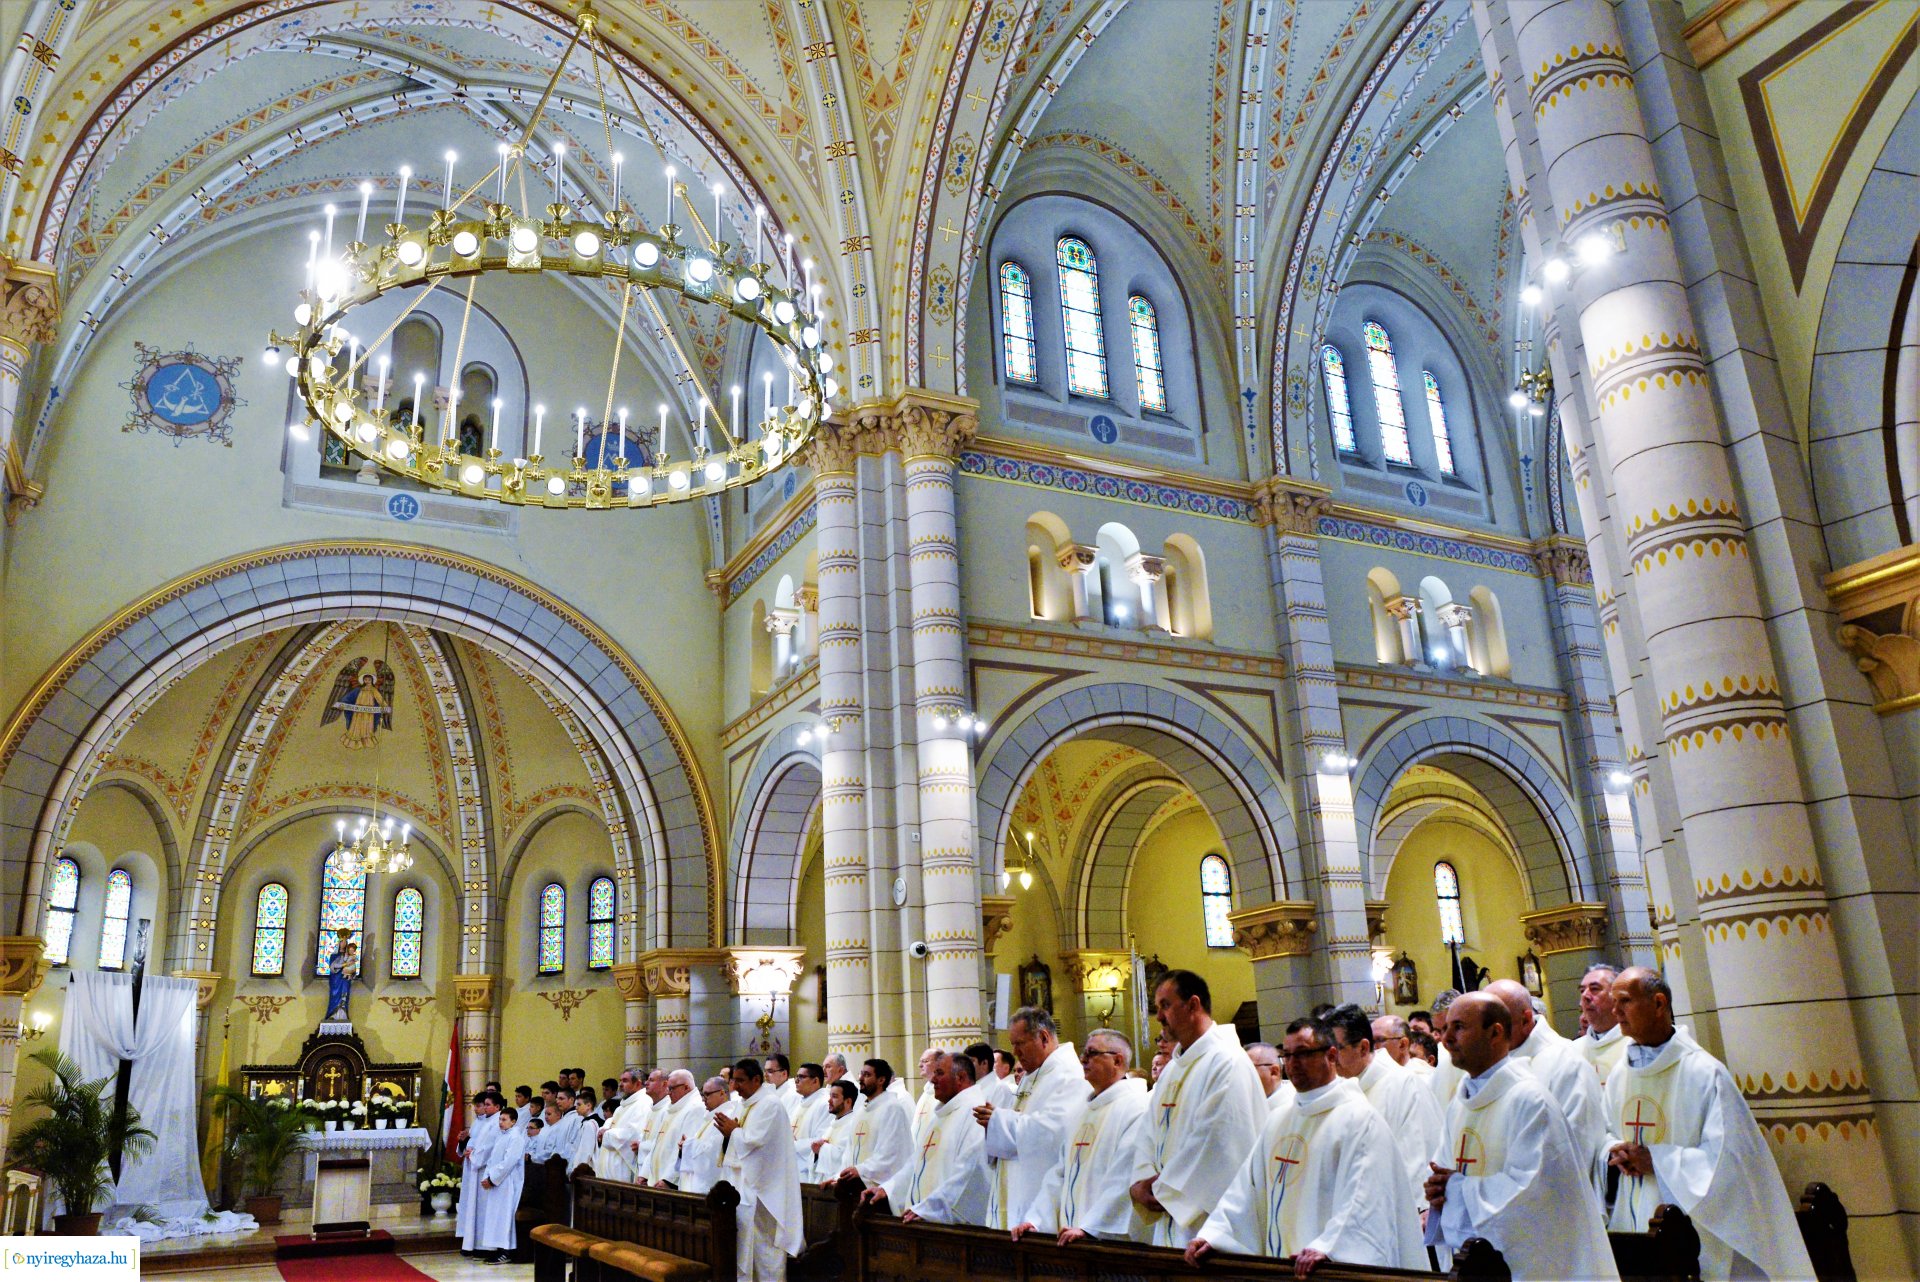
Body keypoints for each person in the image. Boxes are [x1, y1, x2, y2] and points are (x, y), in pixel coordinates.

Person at [1604, 967, 1814, 1281]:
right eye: (1614, 1002)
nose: (1615, 1011)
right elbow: (1607, 1132)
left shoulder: (1705, 1073)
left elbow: (1729, 1161)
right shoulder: (1620, 1076)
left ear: (1659, 1004)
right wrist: (1614, 1151)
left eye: (1624, 1001)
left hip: (1691, 1232)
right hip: (1634, 1229)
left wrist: (1657, 1160)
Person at [1187, 1017, 1423, 1274]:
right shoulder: (1278, 1120)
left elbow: (1365, 1198)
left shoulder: (1358, 1120)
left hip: (1326, 1271)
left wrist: (1329, 1246)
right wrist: (1216, 1234)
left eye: (1302, 1053)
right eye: (1287, 1055)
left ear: (1331, 1055)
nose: (1292, 1064)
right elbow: (1247, 1188)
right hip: (1283, 1268)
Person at [1422, 993, 1617, 1281]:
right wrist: (1438, 1191)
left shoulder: (1530, 1101)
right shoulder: (1460, 1104)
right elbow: (1445, 1172)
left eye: (1459, 1027)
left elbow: (1533, 1196)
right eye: (1446, 1028)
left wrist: (1456, 1190)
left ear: (1495, 1033)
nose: (1446, 1039)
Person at [1128, 969, 1268, 1247]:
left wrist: (1162, 1188)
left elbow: (1218, 1142)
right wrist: (1140, 1181)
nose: (1159, 1017)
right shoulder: (1173, 1070)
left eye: (1165, 1005)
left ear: (1193, 1005)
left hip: (1208, 1223)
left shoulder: (1226, 1062)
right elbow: (1147, 1133)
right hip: (1167, 1211)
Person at [1013, 1028, 1149, 1244]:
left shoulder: (1137, 1108)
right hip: (1072, 1236)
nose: (1083, 1060)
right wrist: (1036, 1221)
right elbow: (1060, 1173)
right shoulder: (1082, 1111)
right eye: (1083, 1053)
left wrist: (1091, 1227)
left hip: (1109, 1241)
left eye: (1092, 1053)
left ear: (1117, 1061)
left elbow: (1125, 1176)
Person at [979, 1006, 1091, 1230]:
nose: (1015, 1052)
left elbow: (1054, 1132)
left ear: (1044, 1037)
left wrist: (999, 1121)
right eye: (1013, 1044)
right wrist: (996, 1122)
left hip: (1041, 1198)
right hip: (1016, 1190)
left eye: (1020, 1043)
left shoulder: (1069, 1076)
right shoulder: (1033, 1076)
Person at [1326, 1004, 1442, 1216]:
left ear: (1363, 1048)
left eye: (1336, 1050)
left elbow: (1417, 1163)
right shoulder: (1338, 1089)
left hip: (1393, 1212)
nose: (1329, 1059)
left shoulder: (1404, 1085)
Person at [1483, 979, 1607, 1175]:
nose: (1487, 1034)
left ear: (1525, 1020)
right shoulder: (1489, 1064)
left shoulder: (1566, 1064)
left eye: (1495, 1025)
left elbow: (1576, 1150)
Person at [867, 1049, 989, 1225]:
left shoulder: (975, 1114)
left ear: (960, 1078)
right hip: (922, 1219)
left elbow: (970, 1173)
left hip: (949, 1227)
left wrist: (932, 1209)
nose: (932, 1079)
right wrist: (888, 1189)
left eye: (939, 1073)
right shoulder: (941, 1115)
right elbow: (917, 1162)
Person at [717, 1058, 804, 1281]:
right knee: (745, 1248)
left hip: (764, 1191)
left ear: (756, 1079)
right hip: (744, 1187)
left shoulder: (770, 1105)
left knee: (764, 1250)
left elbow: (757, 1145)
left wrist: (733, 1132)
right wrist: (730, 1134)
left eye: (740, 1081)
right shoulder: (744, 1104)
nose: (735, 1086)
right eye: (733, 1080)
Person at [837, 1058, 915, 1188]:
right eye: (861, 1074)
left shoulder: (892, 1109)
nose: (861, 1078)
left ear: (881, 1080)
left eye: (867, 1075)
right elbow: (849, 1151)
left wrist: (860, 1170)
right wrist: (838, 1176)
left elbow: (891, 1153)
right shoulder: (861, 1111)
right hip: (855, 1184)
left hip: (879, 1187)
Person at [476, 1106, 527, 1265]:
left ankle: (506, 1251)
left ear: (513, 1121)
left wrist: (493, 1179)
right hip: (497, 1182)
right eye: (500, 1119)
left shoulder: (516, 1137)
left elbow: (509, 1162)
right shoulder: (502, 1135)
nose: (500, 1122)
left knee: (504, 1217)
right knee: (495, 1216)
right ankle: (496, 1248)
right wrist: (487, 1176)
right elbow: (492, 1159)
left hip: (508, 1182)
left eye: (504, 1119)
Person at [457, 1090, 503, 1256]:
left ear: (496, 1107)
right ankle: (472, 1243)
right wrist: (464, 1143)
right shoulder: (480, 1122)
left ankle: (484, 1247)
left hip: (484, 1169)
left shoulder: (496, 1123)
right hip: (474, 1167)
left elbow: (490, 1146)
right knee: (473, 1207)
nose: (479, 1109)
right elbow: (476, 1142)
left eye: (485, 1105)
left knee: (483, 1209)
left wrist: (474, 1154)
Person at [673, 1077, 735, 1195]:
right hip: (697, 1183)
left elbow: (715, 1152)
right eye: (702, 1095)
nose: (703, 1099)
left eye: (707, 1095)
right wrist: (685, 1145)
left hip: (711, 1185)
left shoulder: (727, 1116)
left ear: (722, 1093)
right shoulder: (710, 1116)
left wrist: (688, 1145)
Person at [645, 1070, 705, 1186]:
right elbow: (656, 1145)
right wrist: (645, 1174)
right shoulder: (670, 1108)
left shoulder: (695, 1109)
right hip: (656, 1178)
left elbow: (683, 1149)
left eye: (671, 1088)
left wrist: (668, 1180)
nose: (668, 1093)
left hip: (672, 1183)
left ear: (686, 1087)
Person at [1575, 964, 1627, 1086]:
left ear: (1617, 996)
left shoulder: (1637, 1043)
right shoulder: (1572, 1051)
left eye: (1594, 989)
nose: (1585, 996)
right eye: (1582, 990)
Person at [595, 1067, 648, 1179]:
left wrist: (607, 1134)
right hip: (610, 1173)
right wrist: (602, 1131)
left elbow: (633, 1135)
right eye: (620, 1080)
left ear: (638, 1084)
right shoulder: (622, 1106)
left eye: (625, 1081)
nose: (620, 1084)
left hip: (623, 1171)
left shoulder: (644, 1103)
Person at [809, 1080, 860, 1181]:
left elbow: (847, 1158)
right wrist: (816, 1152)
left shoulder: (853, 1126)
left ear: (848, 1101)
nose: (829, 1100)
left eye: (834, 1097)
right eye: (830, 1096)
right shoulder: (832, 1125)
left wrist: (822, 1148)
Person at [1246, 1041, 1295, 1113]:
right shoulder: (1247, 1103)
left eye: (1249, 1069)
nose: (1242, 1076)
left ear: (1273, 1072)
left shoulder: (1292, 1108)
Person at [968, 1041, 1013, 1108]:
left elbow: (998, 1114)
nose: (967, 1065)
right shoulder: (972, 1087)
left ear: (984, 1063)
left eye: (971, 1061)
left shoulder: (1000, 1089)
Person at [325, 930, 358, 1021]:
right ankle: (332, 1014)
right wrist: (344, 964)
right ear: (339, 943)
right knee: (334, 995)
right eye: (342, 942)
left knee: (344, 995)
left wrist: (352, 972)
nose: (343, 944)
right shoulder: (334, 956)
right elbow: (333, 967)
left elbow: (353, 967)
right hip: (335, 980)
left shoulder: (348, 955)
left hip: (345, 979)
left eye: (345, 942)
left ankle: (343, 1015)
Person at [568, 1087, 601, 1170]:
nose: (576, 1107)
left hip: (586, 1168)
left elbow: (586, 1150)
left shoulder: (590, 1124)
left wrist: (579, 1169)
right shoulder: (587, 1122)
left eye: (579, 1104)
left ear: (588, 1106)